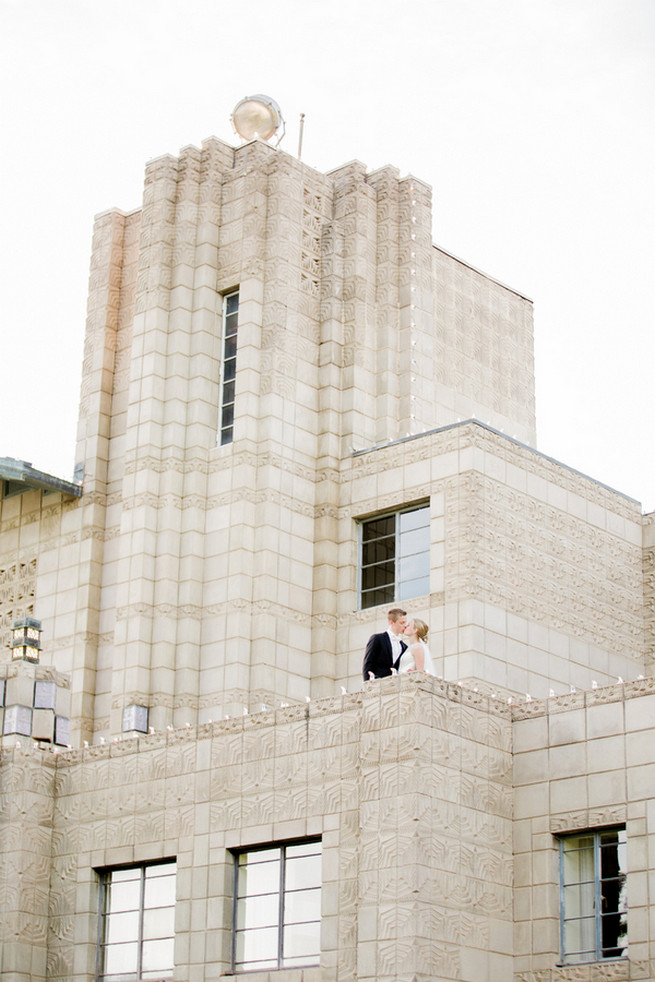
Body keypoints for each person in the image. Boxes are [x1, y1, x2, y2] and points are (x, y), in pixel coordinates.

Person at [362, 607, 408, 680]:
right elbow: (368, 664)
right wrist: (368, 686)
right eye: (401, 623)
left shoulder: (404, 646)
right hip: (377, 684)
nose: (405, 625)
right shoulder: (377, 639)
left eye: (405, 622)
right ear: (391, 622)